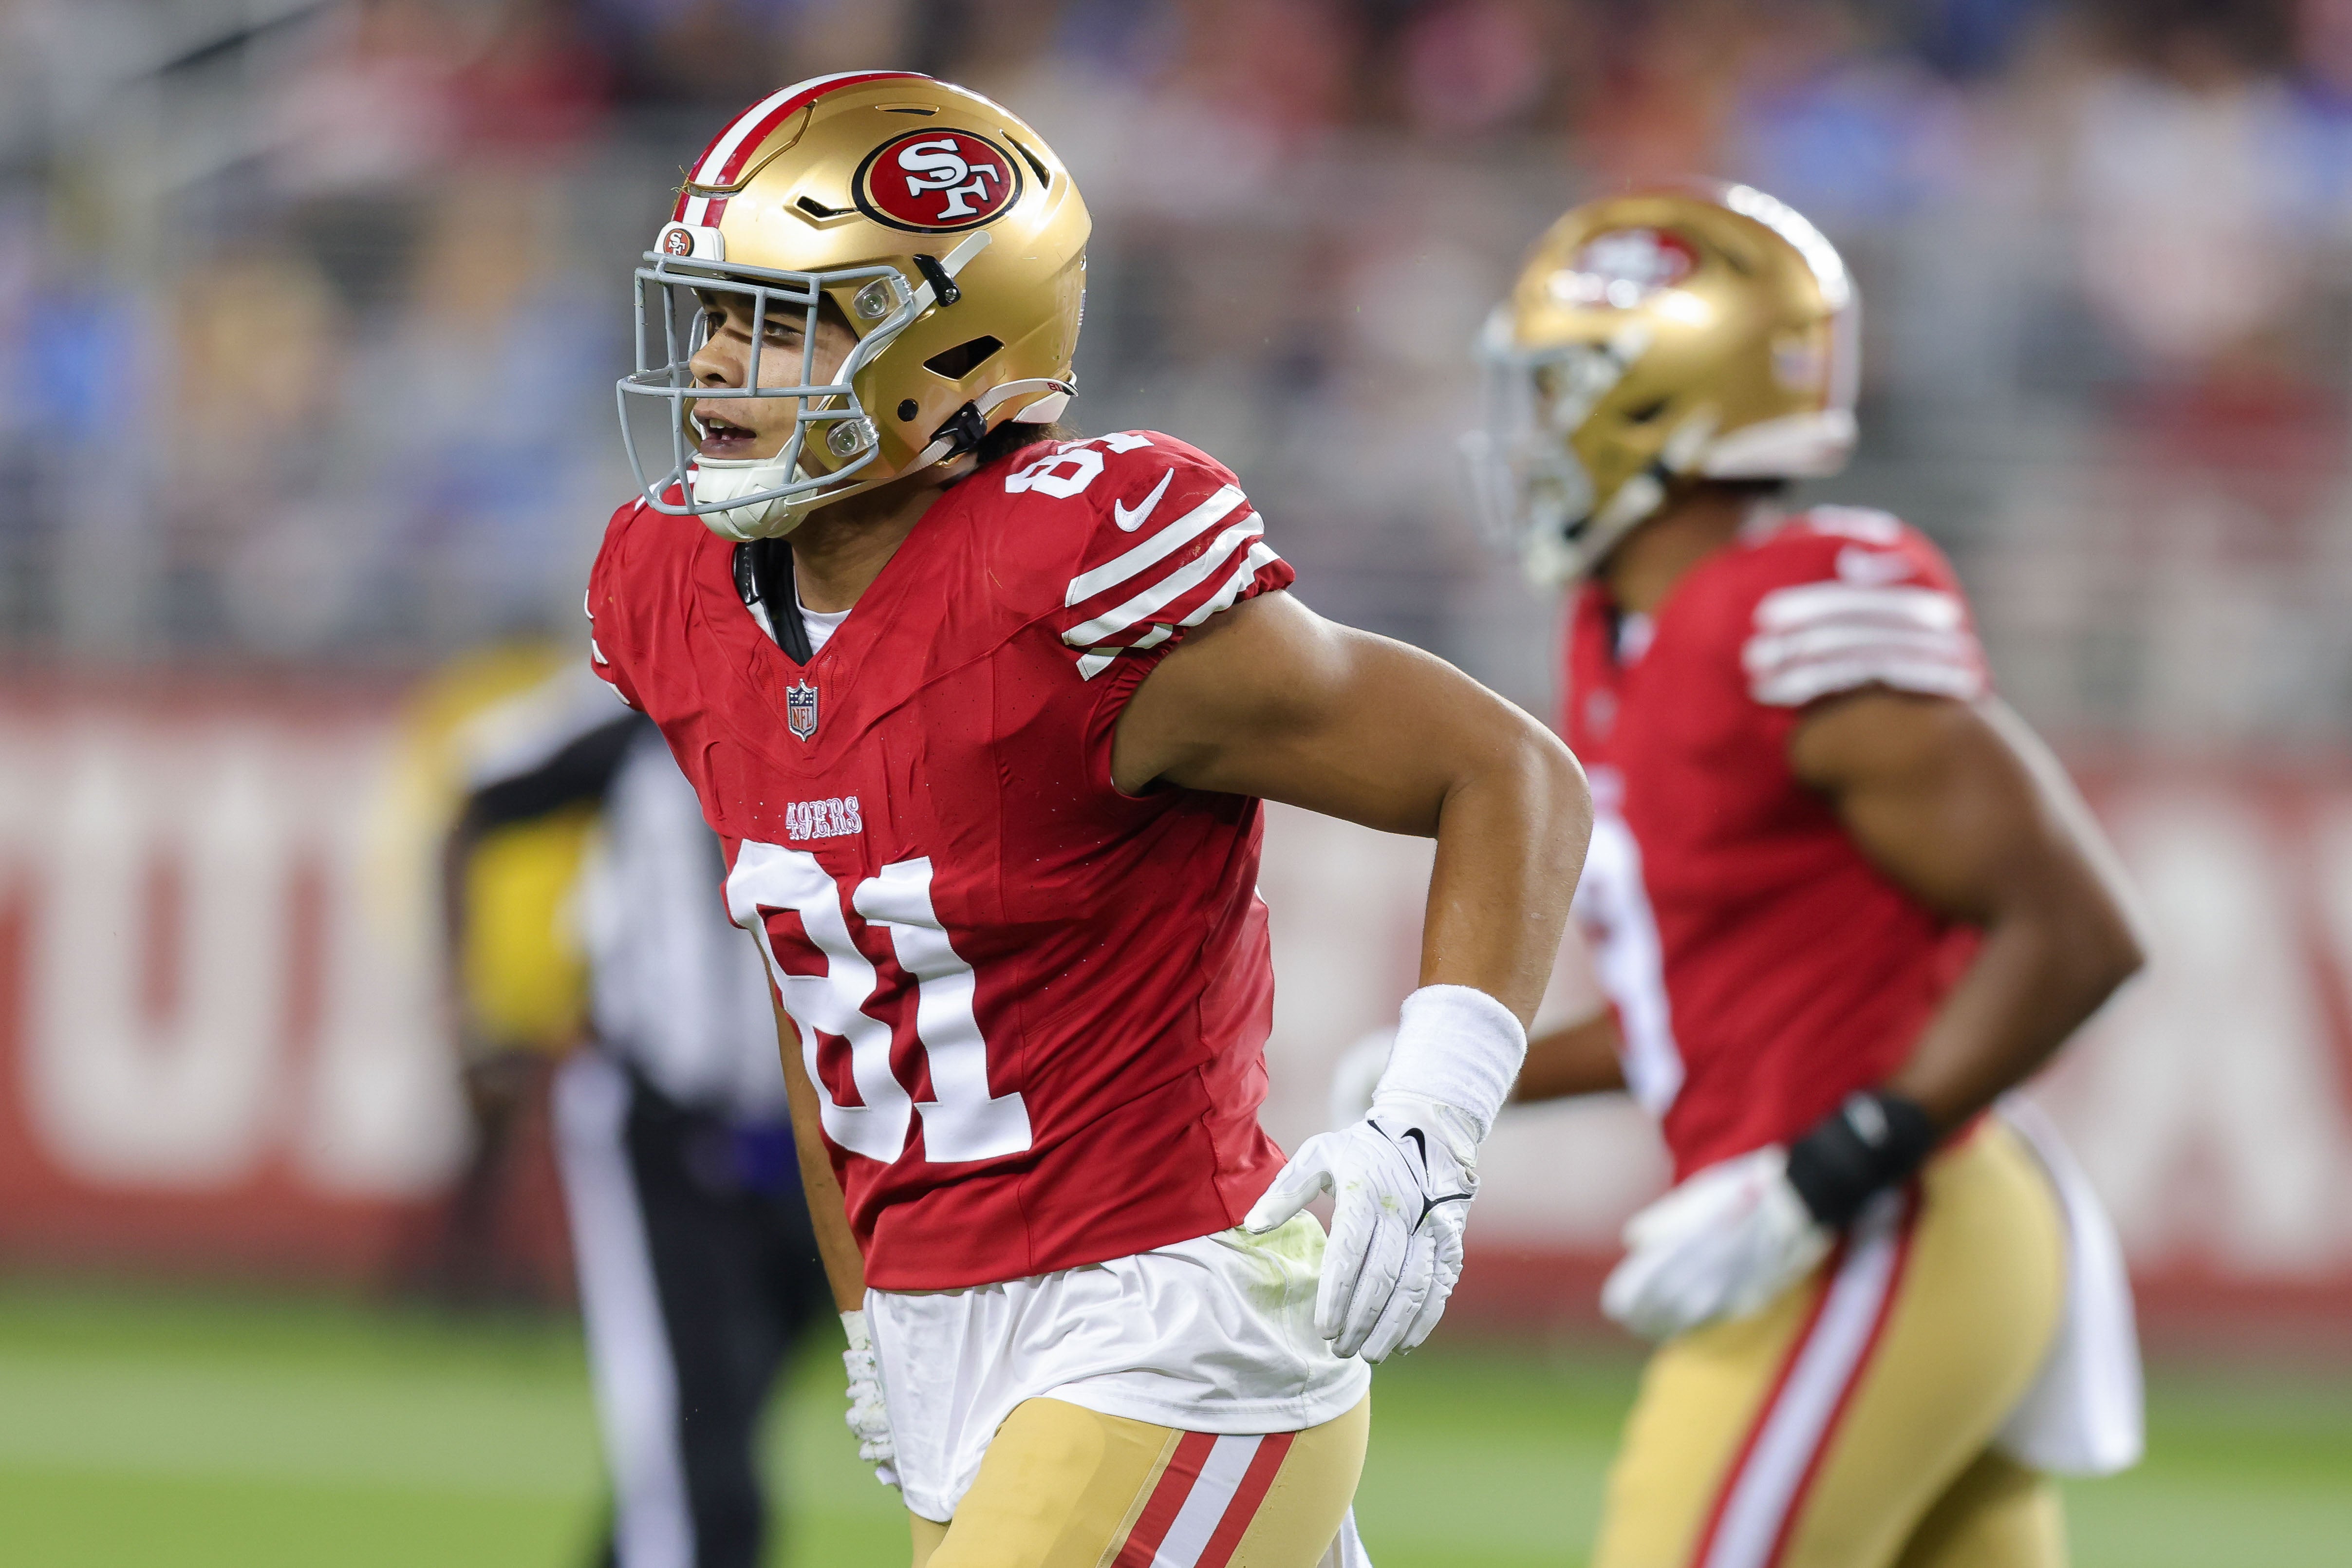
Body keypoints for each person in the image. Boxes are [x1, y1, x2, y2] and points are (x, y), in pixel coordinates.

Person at [585, 72, 1592, 1568]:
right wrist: (868, 1312)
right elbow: (824, 979)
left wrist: (1431, 1122)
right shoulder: (673, 590)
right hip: (944, 1333)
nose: (725, 362)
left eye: (785, 320)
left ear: (950, 344)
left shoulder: (1069, 576)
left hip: (1165, 1319)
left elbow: (1507, 773)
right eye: (718, 313)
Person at [1453, 186, 2149, 1568]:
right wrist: (1463, 1077)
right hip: (1877, 1215)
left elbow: (2076, 928)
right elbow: (1703, 1010)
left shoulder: (1775, 611)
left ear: (1653, 403)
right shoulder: (1622, 631)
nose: (1521, 432)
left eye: (1554, 390)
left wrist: (1822, 1177)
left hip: (1892, 1215)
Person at [445, 665, 831, 1568]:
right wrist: (471, 1011)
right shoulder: (645, 692)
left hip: (813, 1141)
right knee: (702, 1480)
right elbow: (479, 795)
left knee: (708, 1439)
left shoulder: (857, 685)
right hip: (659, 1124)